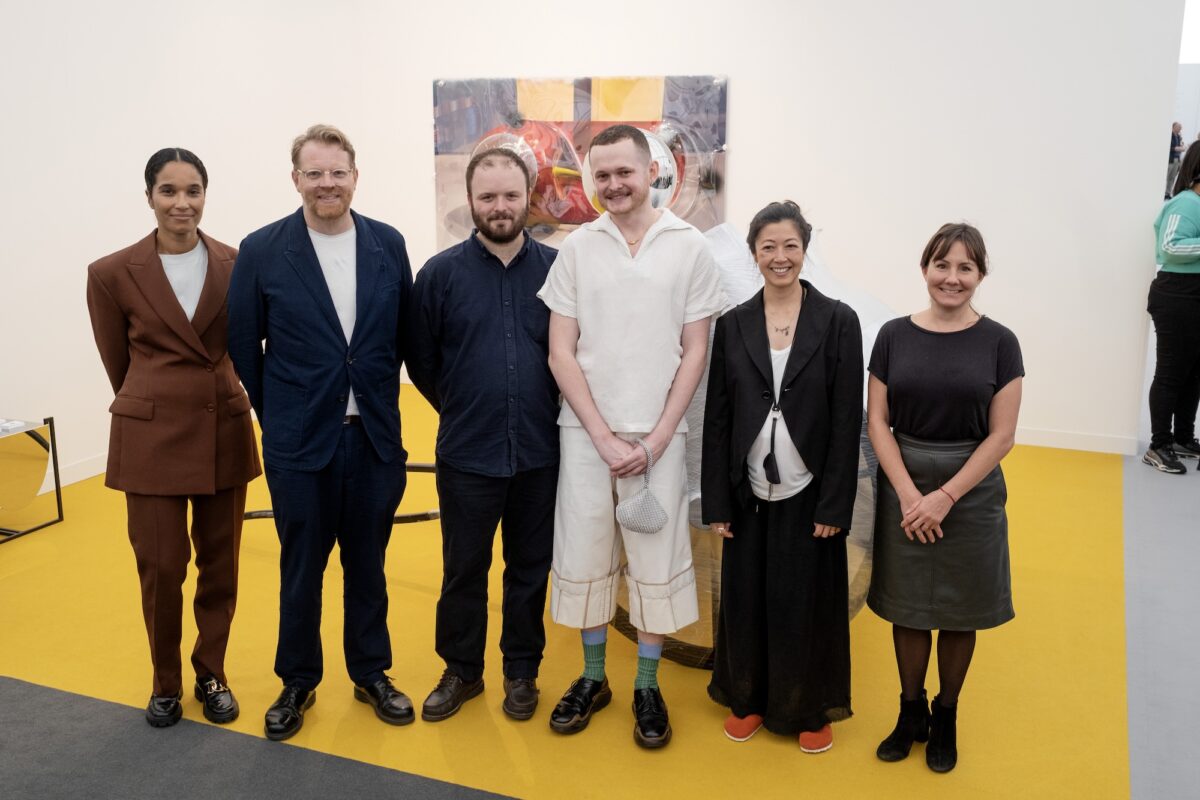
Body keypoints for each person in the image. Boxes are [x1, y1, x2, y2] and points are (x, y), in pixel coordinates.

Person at [537, 124, 725, 749]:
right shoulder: (577, 248)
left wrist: (657, 439)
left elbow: (695, 352)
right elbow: (561, 352)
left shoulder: (690, 247)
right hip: (584, 434)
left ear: (653, 172)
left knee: (656, 559)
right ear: (592, 179)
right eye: (603, 174)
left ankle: (647, 684)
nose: (614, 184)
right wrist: (602, 436)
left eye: (625, 172)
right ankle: (594, 678)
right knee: (587, 553)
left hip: (659, 439)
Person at [227, 124, 414, 741]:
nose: (327, 183)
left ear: (355, 176)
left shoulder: (388, 244)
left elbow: (402, 340)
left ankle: (370, 672)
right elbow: (242, 345)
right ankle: (298, 679)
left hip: (374, 440)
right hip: (299, 444)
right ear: (296, 180)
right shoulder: (262, 249)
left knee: (369, 564)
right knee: (301, 566)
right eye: (315, 173)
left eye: (338, 172)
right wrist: (276, 415)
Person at [86, 148, 261, 728]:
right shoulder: (111, 273)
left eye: (193, 190)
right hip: (151, 437)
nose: (181, 202)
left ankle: (212, 672)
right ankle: (165, 682)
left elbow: (249, 349)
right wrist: (154, 400)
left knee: (221, 566)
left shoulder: (239, 264)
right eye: (169, 190)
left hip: (223, 432)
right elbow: (120, 363)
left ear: (206, 195)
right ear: (150, 196)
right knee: (160, 567)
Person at [701, 201, 863, 754]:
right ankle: (746, 699)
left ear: (804, 250)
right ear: (753, 254)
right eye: (768, 246)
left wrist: (834, 506)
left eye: (789, 245)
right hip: (748, 488)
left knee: (805, 601)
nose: (779, 256)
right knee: (745, 599)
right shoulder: (733, 323)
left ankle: (809, 708)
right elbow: (717, 417)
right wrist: (717, 500)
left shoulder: (839, 321)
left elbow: (846, 420)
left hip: (809, 488)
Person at [406, 148, 560, 722]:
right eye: (488, 197)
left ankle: (522, 671)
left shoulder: (557, 271)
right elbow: (421, 359)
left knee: (528, 569)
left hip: (541, 454)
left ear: (529, 197)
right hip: (468, 455)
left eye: (510, 195)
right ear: (470, 200)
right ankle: (463, 671)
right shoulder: (440, 274)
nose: (500, 207)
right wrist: (464, 407)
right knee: (463, 571)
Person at [866, 223, 1023, 773]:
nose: (951, 278)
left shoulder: (1000, 342)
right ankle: (910, 712)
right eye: (942, 265)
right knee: (906, 606)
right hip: (904, 479)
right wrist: (911, 494)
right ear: (924, 268)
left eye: (965, 268)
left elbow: (1001, 436)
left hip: (971, 491)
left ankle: (946, 712)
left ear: (980, 275)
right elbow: (878, 421)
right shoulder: (892, 335)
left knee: (961, 609)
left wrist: (945, 498)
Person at [1144, 139, 1200, 473]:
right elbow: (1169, 248)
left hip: (1193, 294)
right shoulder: (1185, 204)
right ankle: (1159, 445)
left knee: (1194, 373)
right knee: (1171, 372)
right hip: (1178, 294)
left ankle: (1182, 438)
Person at [1167, 122, 1186, 201]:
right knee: (1167, 176)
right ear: (1174, 127)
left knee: (1172, 177)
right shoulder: (1169, 135)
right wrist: (1176, 148)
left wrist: (1182, 147)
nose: (1180, 129)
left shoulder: (1179, 136)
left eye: (1180, 128)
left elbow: (1181, 145)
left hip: (1177, 160)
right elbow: (1169, 147)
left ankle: (1168, 193)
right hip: (1170, 159)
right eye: (1179, 127)